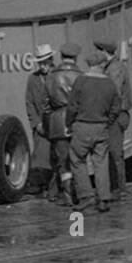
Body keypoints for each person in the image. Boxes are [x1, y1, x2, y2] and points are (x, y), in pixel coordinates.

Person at [67, 47, 121, 213]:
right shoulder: (110, 84)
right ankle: (104, 198)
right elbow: (115, 108)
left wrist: (69, 124)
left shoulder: (80, 82)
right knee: (101, 162)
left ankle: (86, 196)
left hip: (82, 126)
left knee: (77, 160)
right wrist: (107, 122)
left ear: (90, 65)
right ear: (101, 65)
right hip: (101, 127)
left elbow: (72, 107)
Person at [95, 37, 132, 201]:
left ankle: (119, 188)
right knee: (114, 152)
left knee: (115, 152)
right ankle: (117, 187)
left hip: (116, 116)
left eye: (99, 50)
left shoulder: (114, 69)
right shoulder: (111, 67)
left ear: (105, 52)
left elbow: (114, 94)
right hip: (117, 115)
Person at [45, 42, 82, 206]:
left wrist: (47, 126)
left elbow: (45, 106)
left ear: (61, 57)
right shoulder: (80, 75)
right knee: (77, 160)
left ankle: (67, 194)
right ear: (75, 57)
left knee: (62, 162)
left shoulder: (51, 76)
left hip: (57, 122)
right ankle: (78, 193)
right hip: (76, 121)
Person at [24, 43, 55, 196]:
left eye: (46, 62)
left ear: (51, 60)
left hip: (55, 123)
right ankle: (42, 184)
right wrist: (36, 123)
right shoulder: (33, 79)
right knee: (40, 157)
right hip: (40, 125)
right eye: (40, 62)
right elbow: (29, 103)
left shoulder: (57, 76)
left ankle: (55, 187)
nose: (43, 66)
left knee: (56, 156)